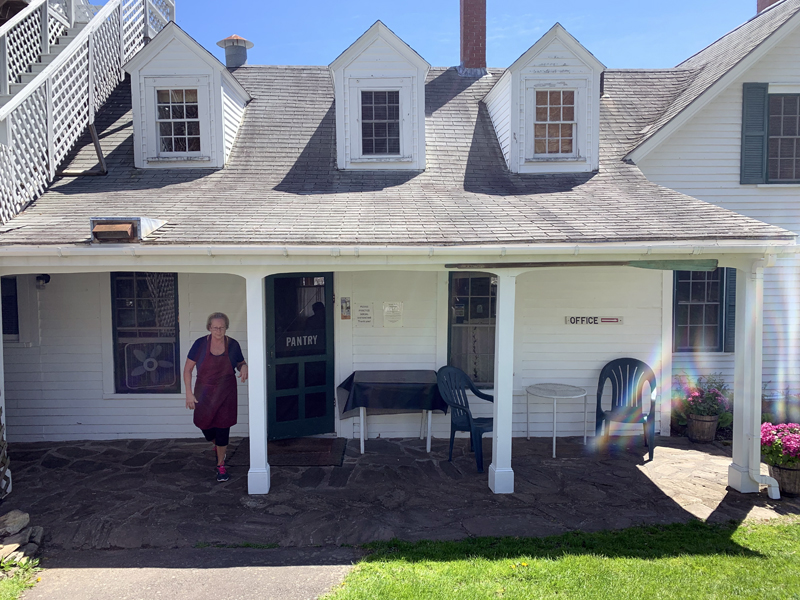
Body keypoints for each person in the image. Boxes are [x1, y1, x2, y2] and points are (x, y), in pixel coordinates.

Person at [184, 312, 248, 482]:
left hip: (226, 392)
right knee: (204, 425)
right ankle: (217, 444)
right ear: (209, 328)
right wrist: (189, 393)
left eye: (222, 327)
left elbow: (240, 362)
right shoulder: (199, 344)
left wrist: (244, 367)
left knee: (223, 428)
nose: (219, 330)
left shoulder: (233, 345)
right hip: (204, 392)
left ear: (226, 327)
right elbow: (188, 370)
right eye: (215, 327)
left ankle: (221, 464)